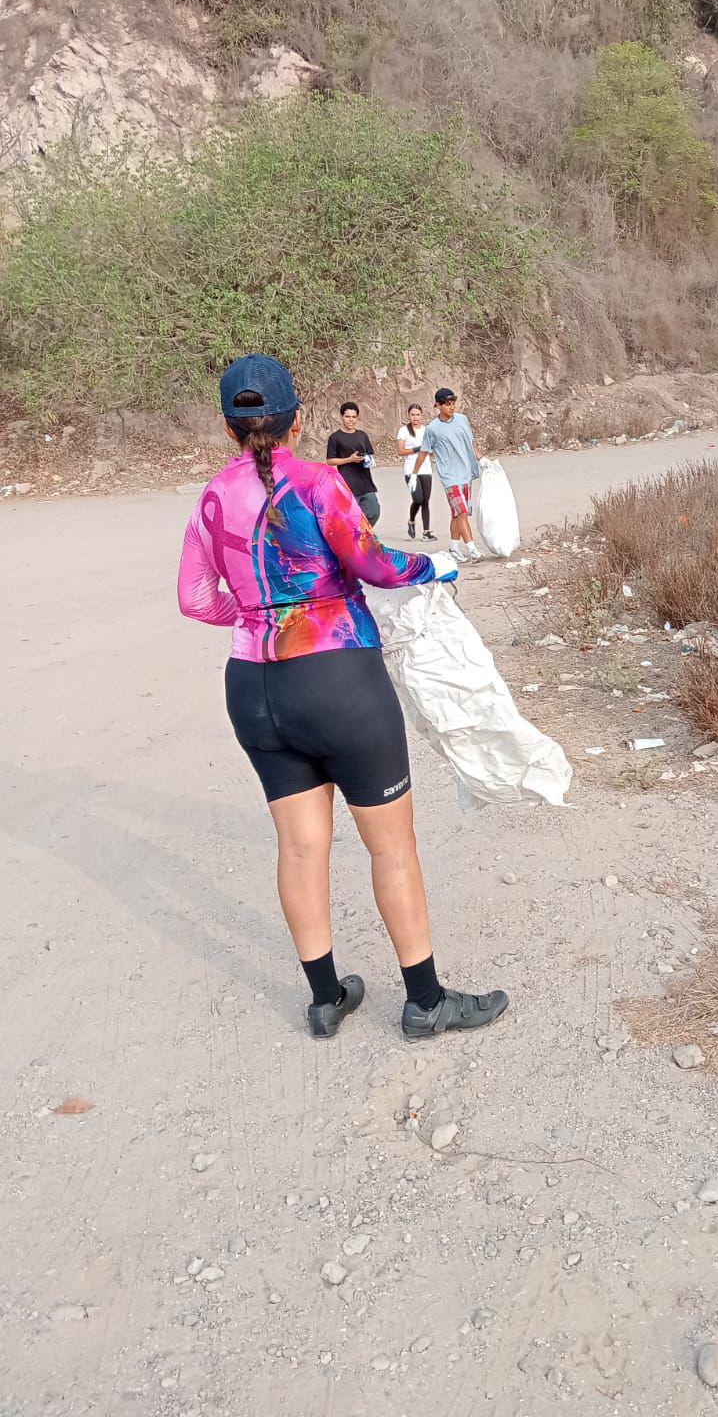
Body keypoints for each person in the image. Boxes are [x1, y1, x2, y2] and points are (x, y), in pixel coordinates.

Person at [178, 353, 509, 1041]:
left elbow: (193, 597)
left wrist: (255, 616)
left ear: (228, 430)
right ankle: (424, 1001)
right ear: (297, 420)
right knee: (391, 847)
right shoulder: (319, 485)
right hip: (338, 682)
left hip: (254, 689)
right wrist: (434, 565)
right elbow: (375, 566)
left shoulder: (212, 497)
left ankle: (326, 997)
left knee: (300, 849)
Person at [419, 387, 481, 563]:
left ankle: (454, 548)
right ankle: (473, 550)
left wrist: (481, 459)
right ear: (437, 405)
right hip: (449, 477)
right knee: (461, 511)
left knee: (458, 514)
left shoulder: (462, 420)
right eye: (447, 404)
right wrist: (416, 472)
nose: (451, 406)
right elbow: (425, 450)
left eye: (453, 402)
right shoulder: (432, 429)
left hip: (465, 473)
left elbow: (471, 442)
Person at [326, 401, 380, 527]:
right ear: (341, 417)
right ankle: (352, 539)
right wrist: (349, 459)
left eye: (354, 417)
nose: (351, 420)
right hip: (347, 483)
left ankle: (363, 534)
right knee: (350, 516)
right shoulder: (335, 437)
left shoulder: (362, 435)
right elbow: (330, 461)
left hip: (365, 482)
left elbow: (369, 454)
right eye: (348, 417)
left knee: (374, 511)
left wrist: (367, 460)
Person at [397, 402, 436, 542]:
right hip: (410, 470)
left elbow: (431, 450)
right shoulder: (404, 431)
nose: (415, 417)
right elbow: (400, 451)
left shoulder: (427, 430)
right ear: (409, 415)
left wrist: (431, 451)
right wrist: (416, 449)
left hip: (425, 469)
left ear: (421, 415)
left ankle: (426, 532)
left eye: (417, 415)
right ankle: (412, 521)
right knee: (418, 499)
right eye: (412, 415)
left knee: (425, 501)